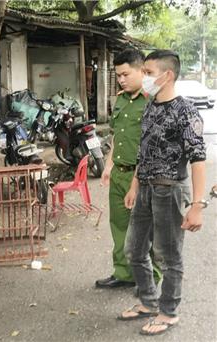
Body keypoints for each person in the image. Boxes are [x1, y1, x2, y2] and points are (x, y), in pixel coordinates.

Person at [118, 50, 206, 336]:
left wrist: (196, 205)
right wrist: (134, 185)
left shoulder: (186, 111)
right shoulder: (151, 106)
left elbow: (198, 159)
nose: (144, 77)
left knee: (168, 256)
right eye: (143, 71)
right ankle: (148, 302)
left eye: (149, 72)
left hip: (169, 191)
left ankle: (168, 312)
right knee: (134, 249)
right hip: (144, 189)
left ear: (167, 75)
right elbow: (144, 152)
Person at [96, 49, 162, 289]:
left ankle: (150, 278)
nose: (121, 79)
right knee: (119, 226)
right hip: (118, 173)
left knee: (143, 230)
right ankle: (124, 274)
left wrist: (136, 181)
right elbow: (116, 136)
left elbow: (149, 147)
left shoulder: (152, 101)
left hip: (141, 176)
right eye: (118, 75)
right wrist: (108, 165)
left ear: (141, 71)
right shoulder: (121, 99)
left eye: (125, 74)